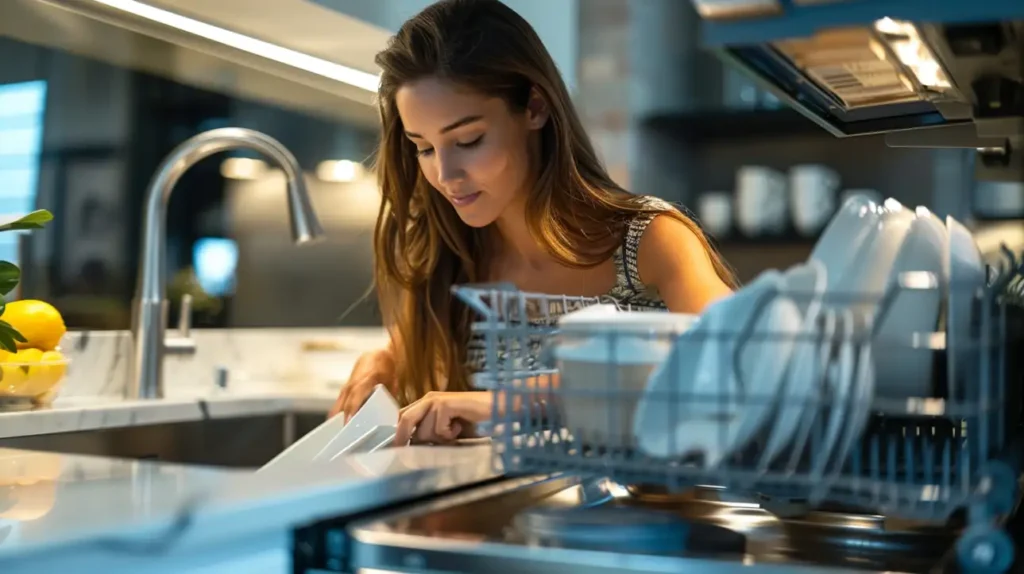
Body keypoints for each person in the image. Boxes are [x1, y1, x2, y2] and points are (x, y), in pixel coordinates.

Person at [330, 0, 737, 445]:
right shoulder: (452, 257)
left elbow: (730, 355)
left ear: (535, 108)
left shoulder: (650, 238)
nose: (445, 176)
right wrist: (383, 359)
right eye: (424, 148)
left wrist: (506, 403)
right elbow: (406, 345)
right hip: (505, 514)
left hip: (649, 506)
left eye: (468, 140)